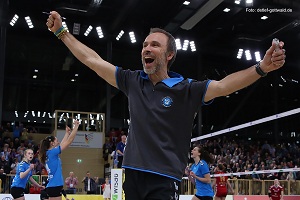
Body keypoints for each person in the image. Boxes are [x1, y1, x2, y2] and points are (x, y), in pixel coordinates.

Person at [45, 11, 286, 199]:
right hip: (134, 175)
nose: (146, 49)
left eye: (155, 45)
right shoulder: (132, 80)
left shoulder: (187, 89)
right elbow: (93, 61)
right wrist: (62, 33)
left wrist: (262, 68)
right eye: (144, 45)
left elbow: (224, 86)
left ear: (169, 55)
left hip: (164, 179)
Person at [38, 120, 80, 200]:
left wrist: (67, 133)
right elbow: (69, 142)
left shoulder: (49, 153)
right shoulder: (52, 153)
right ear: (52, 143)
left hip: (53, 186)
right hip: (55, 186)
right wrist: (76, 127)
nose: (58, 141)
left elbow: (62, 144)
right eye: (56, 140)